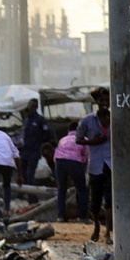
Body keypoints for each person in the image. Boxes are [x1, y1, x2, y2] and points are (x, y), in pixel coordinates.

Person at [77, 86, 112, 243]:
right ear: (96, 101)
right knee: (95, 200)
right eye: (102, 100)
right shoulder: (87, 120)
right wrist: (93, 141)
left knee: (110, 199)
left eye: (107, 100)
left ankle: (108, 233)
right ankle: (97, 226)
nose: (104, 103)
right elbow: (78, 139)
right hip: (95, 165)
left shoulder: (115, 119)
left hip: (111, 164)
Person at [20, 98, 54, 204]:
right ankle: (25, 195)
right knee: (23, 174)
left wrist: (42, 143)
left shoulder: (40, 120)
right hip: (25, 151)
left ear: (36, 107)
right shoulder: (26, 120)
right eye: (30, 106)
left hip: (34, 151)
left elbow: (48, 133)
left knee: (30, 175)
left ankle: (32, 199)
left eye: (33, 106)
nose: (31, 108)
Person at [54, 120, 89, 222]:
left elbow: (57, 154)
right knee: (82, 189)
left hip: (59, 161)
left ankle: (60, 216)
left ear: (69, 130)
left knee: (61, 189)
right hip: (74, 162)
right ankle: (82, 217)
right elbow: (85, 157)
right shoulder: (83, 139)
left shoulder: (63, 139)